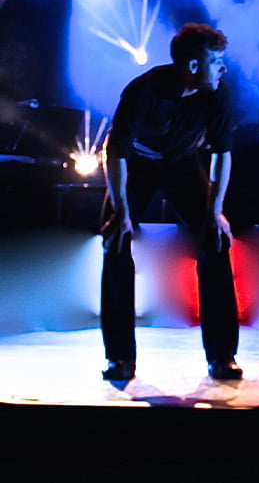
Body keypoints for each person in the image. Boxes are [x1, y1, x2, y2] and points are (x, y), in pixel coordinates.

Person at [100, 23, 242, 381]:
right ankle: (120, 357)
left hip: (181, 165)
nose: (223, 68)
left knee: (215, 241)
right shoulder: (143, 90)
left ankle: (222, 356)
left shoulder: (217, 94)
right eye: (217, 61)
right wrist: (122, 211)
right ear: (194, 66)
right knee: (116, 243)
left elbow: (222, 154)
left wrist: (215, 211)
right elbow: (114, 150)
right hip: (137, 165)